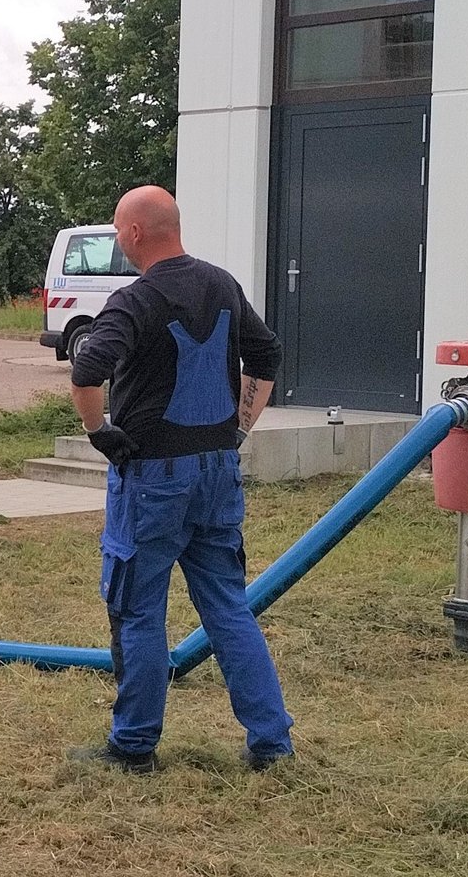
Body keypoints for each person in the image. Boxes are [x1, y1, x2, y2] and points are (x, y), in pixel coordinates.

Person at [66, 185, 292, 774]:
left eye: (119, 230)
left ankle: (133, 746)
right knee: (227, 608)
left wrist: (100, 432)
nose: (119, 239)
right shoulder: (221, 284)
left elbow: (86, 369)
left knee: (139, 611)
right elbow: (266, 356)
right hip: (217, 473)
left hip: (152, 481)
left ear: (137, 233)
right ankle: (271, 743)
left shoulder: (133, 300)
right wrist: (239, 430)